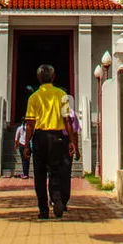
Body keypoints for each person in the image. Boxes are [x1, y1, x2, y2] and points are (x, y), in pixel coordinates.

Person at [23, 64, 76, 219]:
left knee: (39, 174)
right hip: (58, 137)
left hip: (40, 138)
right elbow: (67, 120)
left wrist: (26, 145)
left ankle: (43, 210)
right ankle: (57, 198)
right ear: (53, 77)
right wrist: (72, 141)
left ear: (39, 78)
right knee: (57, 171)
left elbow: (30, 124)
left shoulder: (34, 97)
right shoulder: (62, 95)